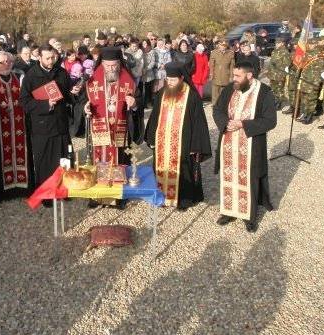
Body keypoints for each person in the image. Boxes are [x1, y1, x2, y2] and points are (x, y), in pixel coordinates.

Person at [213, 61, 276, 232]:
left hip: (251, 145)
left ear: (249, 76)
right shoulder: (230, 89)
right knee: (229, 177)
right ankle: (228, 211)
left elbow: (270, 121)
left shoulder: (264, 92)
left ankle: (249, 216)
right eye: (233, 75)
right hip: (228, 143)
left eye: (237, 76)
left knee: (249, 178)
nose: (234, 79)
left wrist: (243, 124)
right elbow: (217, 110)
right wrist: (226, 123)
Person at [144, 63, 212, 210]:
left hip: (183, 142)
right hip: (162, 142)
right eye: (168, 79)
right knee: (161, 168)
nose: (170, 82)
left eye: (173, 80)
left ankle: (183, 199)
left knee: (184, 168)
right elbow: (155, 117)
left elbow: (199, 123)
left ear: (181, 78)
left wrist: (196, 146)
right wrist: (151, 138)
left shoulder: (192, 96)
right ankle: (162, 196)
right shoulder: (162, 93)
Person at [20, 45, 78, 200]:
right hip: (42, 126)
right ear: (39, 58)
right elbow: (24, 102)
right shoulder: (31, 76)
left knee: (65, 158)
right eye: (47, 58)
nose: (51, 61)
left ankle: (64, 190)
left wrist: (73, 94)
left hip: (61, 124)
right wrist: (46, 104)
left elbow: (67, 95)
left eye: (53, 57)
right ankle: (46, 194)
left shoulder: (62, 72)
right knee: (45, 162)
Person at [79, 47, 142, 167]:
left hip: (121, 129)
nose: (111, 69)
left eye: (114, 65)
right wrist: (85, 108)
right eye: (108, 66)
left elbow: (139, 102)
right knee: (99, 163)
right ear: (102, 63)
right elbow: (81, 102)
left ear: (119, 63)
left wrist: (134, 104)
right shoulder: (92, 81)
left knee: (121, 163)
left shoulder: (128, 80)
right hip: (98, 128)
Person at [0, 51, 31, 198]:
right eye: (2, 62)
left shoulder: (20, 77)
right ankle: (2, 192)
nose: (6, 65)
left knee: (22, 151)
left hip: (20, 126)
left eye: (9, 62)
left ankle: (22, 188)